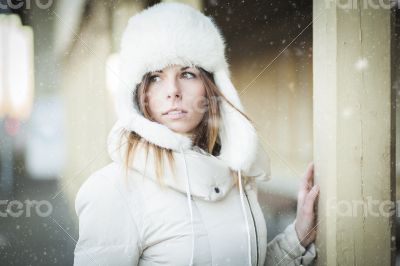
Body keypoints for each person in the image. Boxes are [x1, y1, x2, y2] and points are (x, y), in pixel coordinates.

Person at [73, 2, 318, 266]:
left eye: (187, 73)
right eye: (155, 77)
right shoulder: (112, 190)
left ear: (211, 87)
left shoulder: (236, 176)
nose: (173, 91)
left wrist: (298, 236)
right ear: (138, 93)